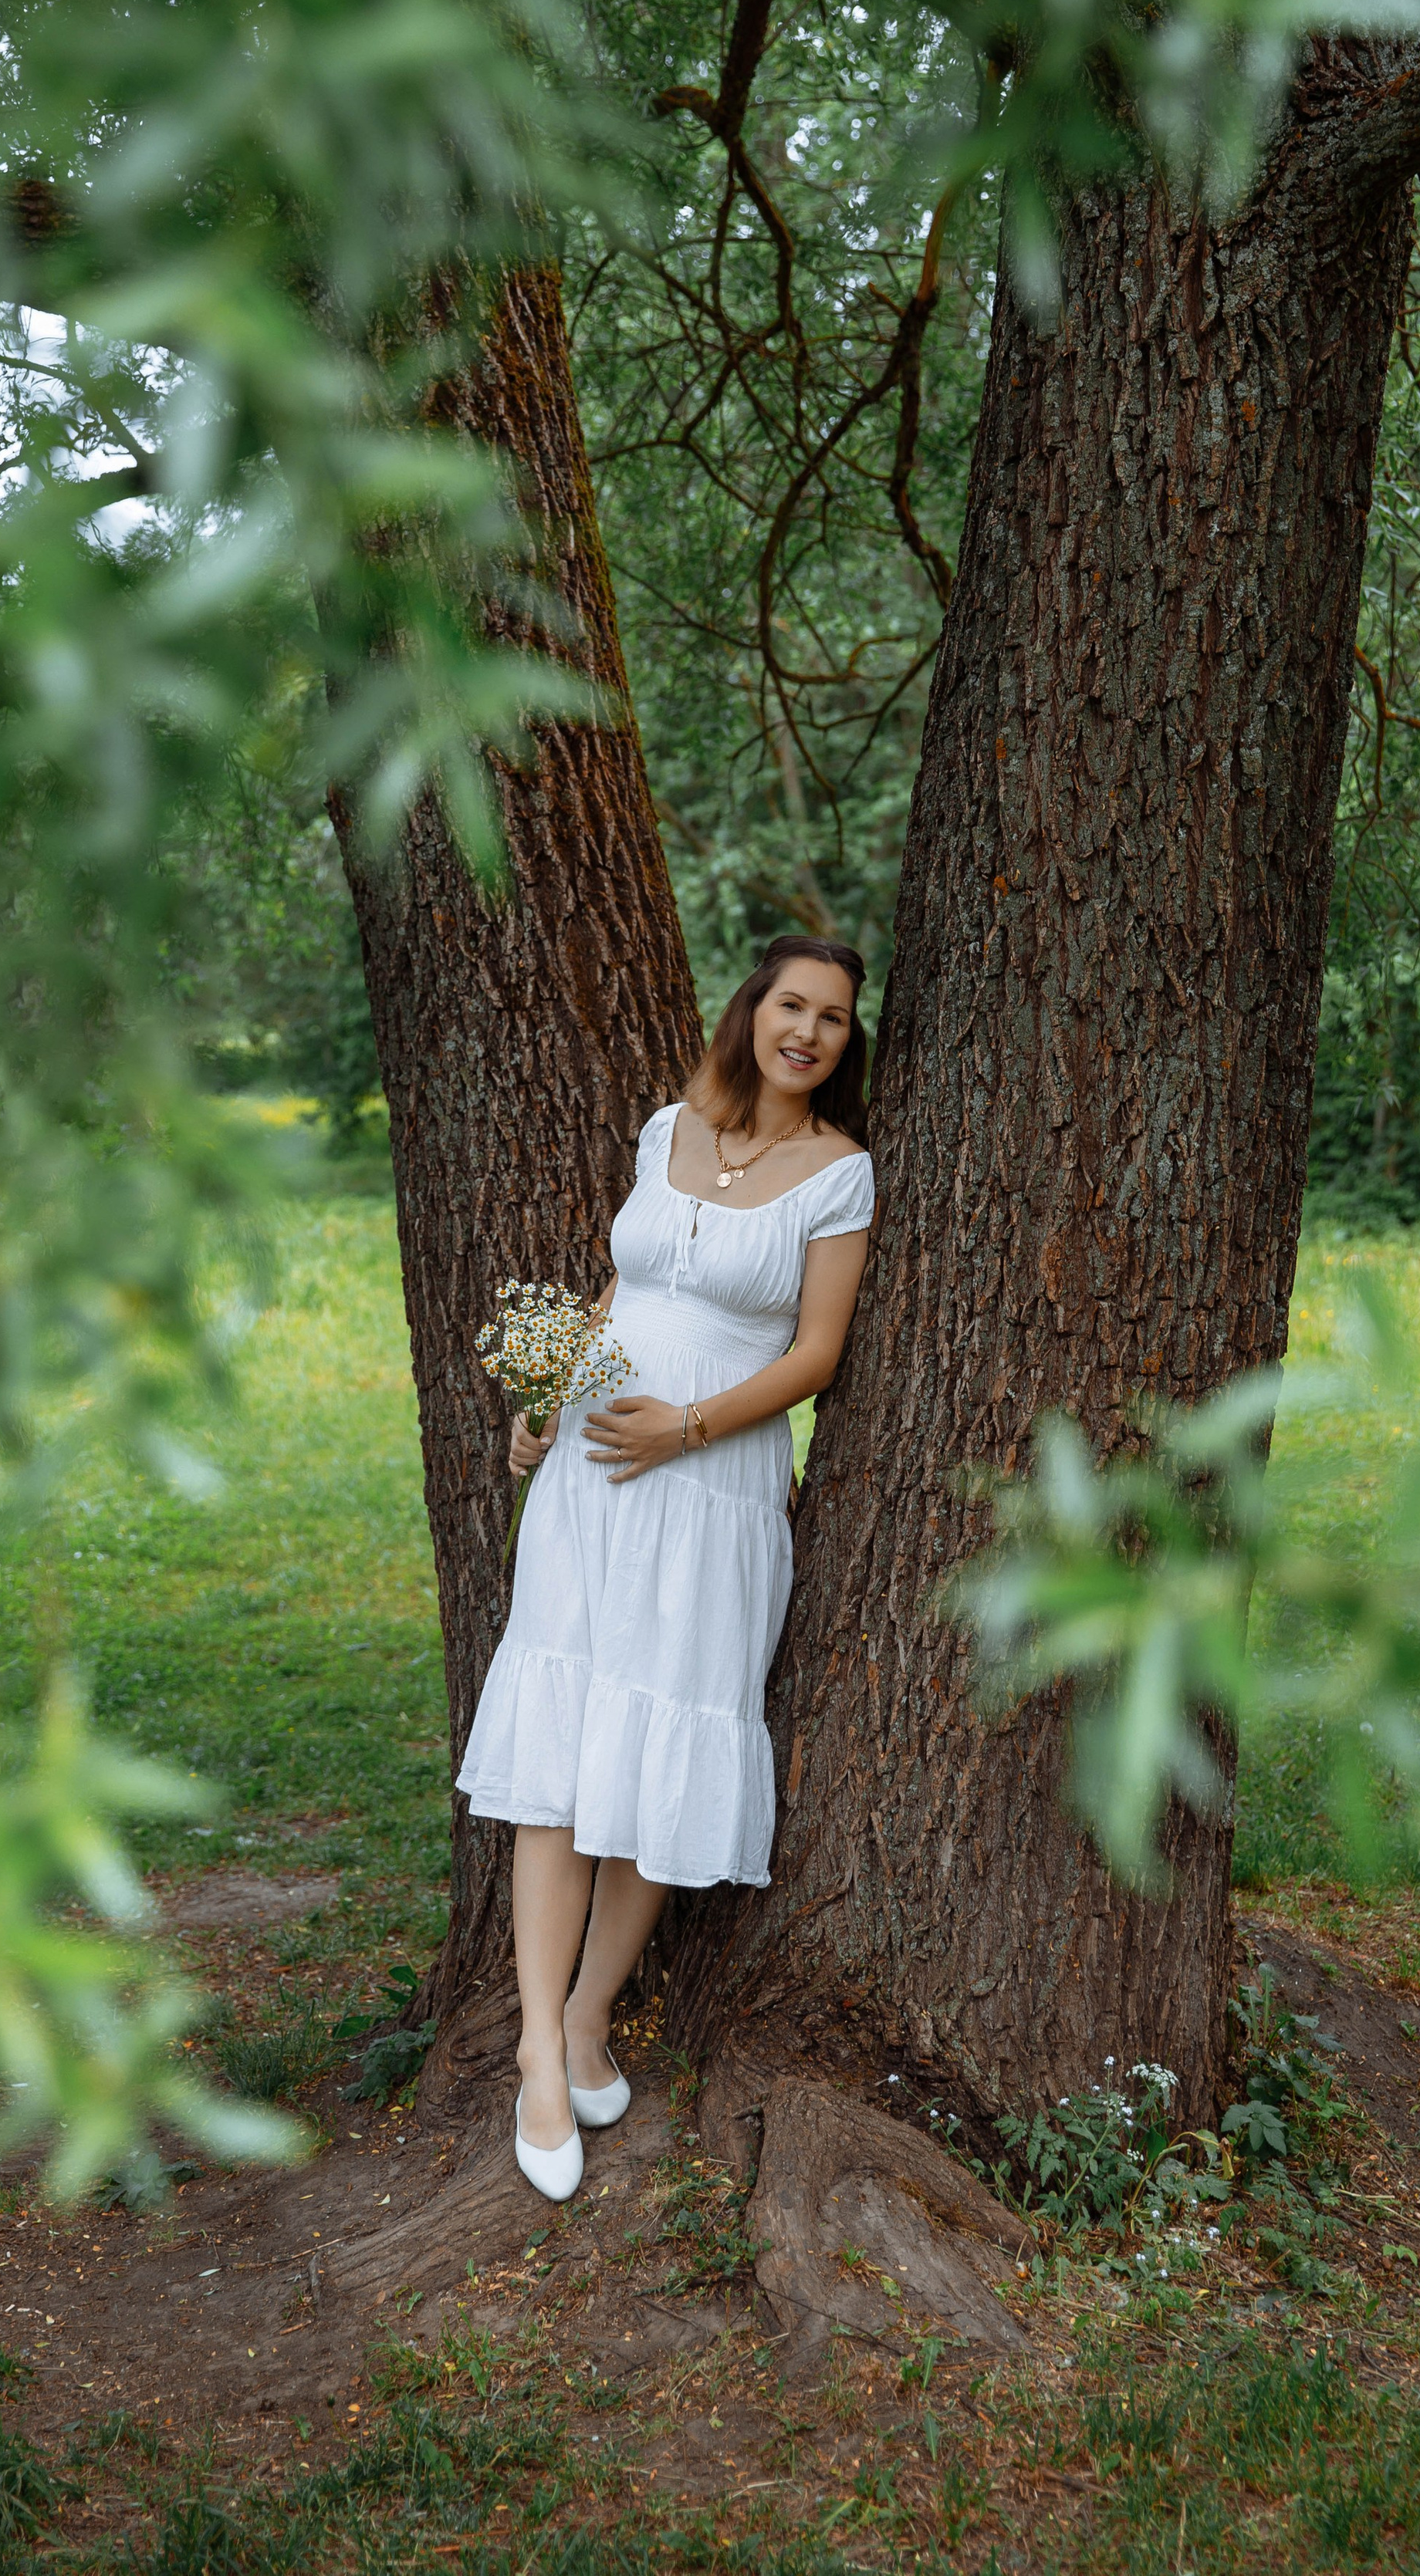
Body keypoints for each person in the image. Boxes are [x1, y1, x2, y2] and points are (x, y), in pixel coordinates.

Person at [455, 934, 877, 2199]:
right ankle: (539, 2053)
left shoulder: (838, 1175)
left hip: (713, 1489)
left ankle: (591, 2016)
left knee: (671, 1742)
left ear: (849, 1045)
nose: (807, 1031)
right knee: (562, 1750)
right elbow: (619, 1295)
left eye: (835, 1020)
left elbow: (816, 1356)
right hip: (590, 1482)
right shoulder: (667, 1130)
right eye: (792, 1005)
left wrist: (688, 1425)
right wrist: (547, 1396)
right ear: (753, 1011)